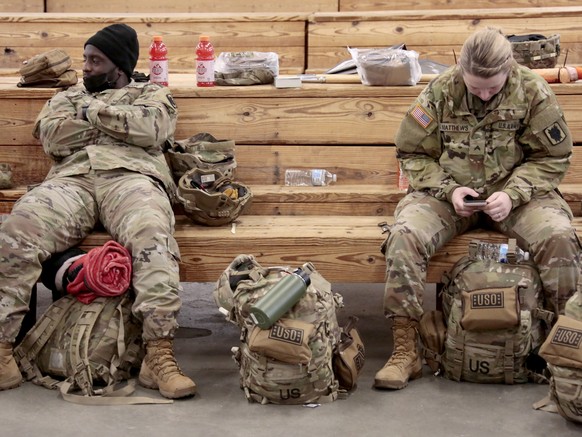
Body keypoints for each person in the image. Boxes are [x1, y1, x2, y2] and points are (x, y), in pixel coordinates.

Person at [374, 27, 581, 390]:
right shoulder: (440, 92)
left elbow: (554, 157)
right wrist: (449, 190)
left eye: (493, 88)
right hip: (449, 196)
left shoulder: (533, 91)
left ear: (509, 70)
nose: (484, 95)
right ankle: (406, 349)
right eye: (475, 88)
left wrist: (514, 193)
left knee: (559, 237)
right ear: (462, 72)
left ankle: (564, 347)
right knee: (405, 235)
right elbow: (412, 153)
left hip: (517, 195)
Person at [0, 24, 197, 399]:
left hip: (131, 179)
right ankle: (3, 350)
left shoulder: (151, 93)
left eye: (96, 60)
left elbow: (152, 130)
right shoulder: (69, 94)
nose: (86, 67)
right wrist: (115, 122)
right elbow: (52, 137)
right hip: (72, 181)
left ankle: (159, 355)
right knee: (19, 227)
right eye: (85, 58)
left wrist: (91, 111)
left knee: (152, 234)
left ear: (119, 67)